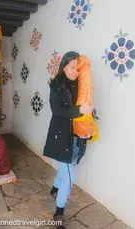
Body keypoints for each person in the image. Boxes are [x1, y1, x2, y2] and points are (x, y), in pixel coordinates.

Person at [43, 51, 93, 227]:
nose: (75, 71)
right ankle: (59, 211)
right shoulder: (57, 85)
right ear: (64, 66)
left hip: (76, 137)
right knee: (70, 177)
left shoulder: (79, 85)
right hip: (61, 137)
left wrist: (89, 116)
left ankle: (55, 189)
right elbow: (57, 111)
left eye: (77, 68)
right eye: (72, 67)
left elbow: (83, 105)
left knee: (65, 167)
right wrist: (80, 111)